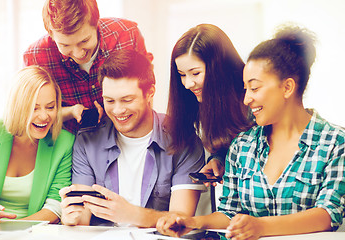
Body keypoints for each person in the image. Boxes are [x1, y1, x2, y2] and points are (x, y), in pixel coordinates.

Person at [156, 25, 345, 239]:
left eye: (254, 88)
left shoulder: (335, 143)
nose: (246, 99)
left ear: (287, 87)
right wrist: (191, 222)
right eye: (245, 89)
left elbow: (328, 214)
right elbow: (229, 213)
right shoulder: (242, 146)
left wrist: (261, 226)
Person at [59, 49, 206, 227]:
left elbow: (181, 222)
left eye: (127, 100)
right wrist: (72, 218)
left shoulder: (184, 140)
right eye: (110, 101)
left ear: (150, 93)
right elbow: (82, 218)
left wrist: (131, 214)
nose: (118, 110)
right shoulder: (87, 141)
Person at [23, 0, 152, 134]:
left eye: (84, 41)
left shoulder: (128, 35)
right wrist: (71, 111)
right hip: (70, 141)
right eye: (65, 45)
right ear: (51, 34)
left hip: (127, 135)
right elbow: (29, 112)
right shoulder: (36, 57)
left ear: (96, 23)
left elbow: (146, 89)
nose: (79, 54)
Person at [165, 24, 252, 185]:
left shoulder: (253, 102)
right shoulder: (203, 101)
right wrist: (218, 160)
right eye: (182, 75)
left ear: (219, 67)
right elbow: (227, 148)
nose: (188, 84)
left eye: (195, 73)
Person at [0, 66, 75, 223]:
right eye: (34, 108)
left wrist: (14, 229)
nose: (44, 116)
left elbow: (55, 206)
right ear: (17, 107)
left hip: (35, 233)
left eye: (50, 107)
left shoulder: (64, 142)